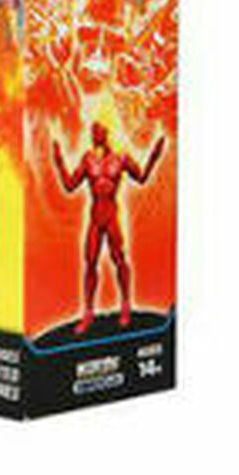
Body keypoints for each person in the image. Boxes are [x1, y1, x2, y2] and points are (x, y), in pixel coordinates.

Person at [51, 122, 166, 333]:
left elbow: (141, 178)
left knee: (119, 259)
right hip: (95, 218)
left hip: (111, 216)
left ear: (106, 133)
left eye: (97, 132)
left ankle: (125, 304)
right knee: (90, 263)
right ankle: (88, 313)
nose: (93, 135)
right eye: (92, 132)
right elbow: (69, 186)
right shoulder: (88, 159)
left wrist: (154, 156)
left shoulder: (120, 158)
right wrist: (58, 162)